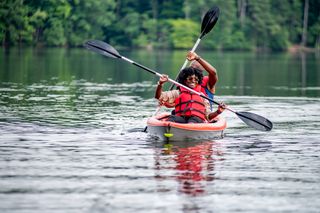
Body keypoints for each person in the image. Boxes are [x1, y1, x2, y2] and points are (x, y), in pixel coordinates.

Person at [155, 52, 225, 123]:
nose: (192, 73)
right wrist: (164, 101)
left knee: (194, 120)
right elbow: (175, 103)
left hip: (201, 116)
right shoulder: (183, 86)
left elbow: (213, 72)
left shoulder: (208, 83)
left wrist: (197, 58)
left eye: (195, 70)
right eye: (190, 70)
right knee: (173, 114)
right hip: (183, 115)